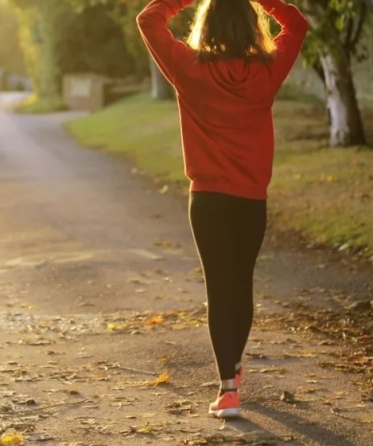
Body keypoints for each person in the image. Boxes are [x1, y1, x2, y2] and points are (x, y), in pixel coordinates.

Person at [136, 0, 309, 418]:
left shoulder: (188, 68)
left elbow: (148, 19)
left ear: (206, 25)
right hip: (251, 200)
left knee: (219, 288)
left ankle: (228, 387)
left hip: (208, 199)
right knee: (241, 284)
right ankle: (232, 370)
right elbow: (297, 25)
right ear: (253, 26)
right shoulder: (266, 71)